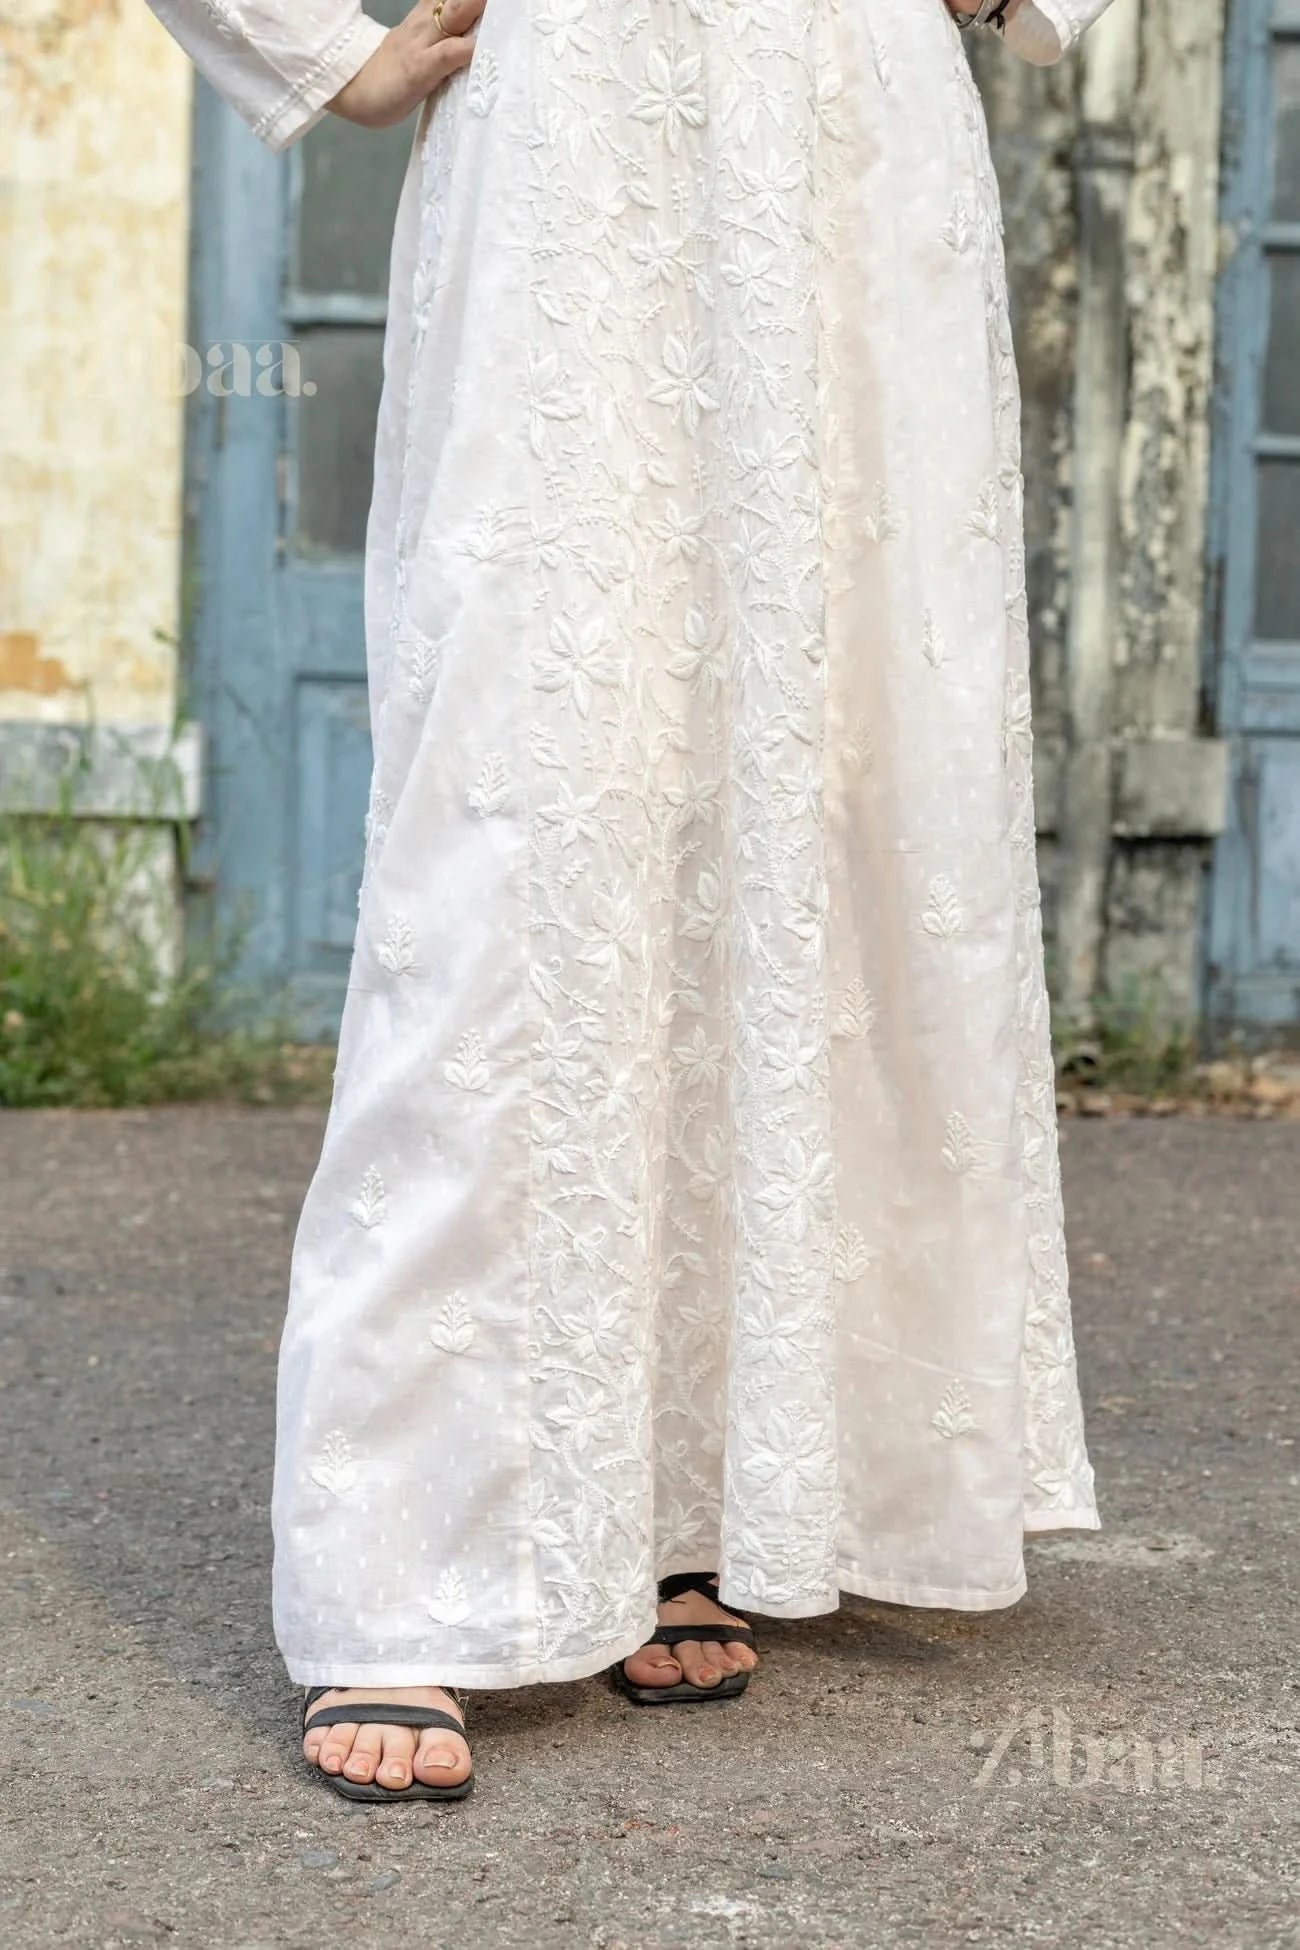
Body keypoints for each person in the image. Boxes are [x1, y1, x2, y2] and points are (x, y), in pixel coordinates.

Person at [146, 0, 1114, 1802]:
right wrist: (311, 46)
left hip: (849, 135)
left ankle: (694, 1494)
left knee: (820, 807)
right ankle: (408, 1573)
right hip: (574, 144)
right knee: (523, 821)